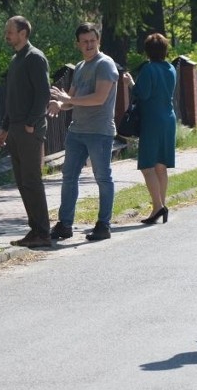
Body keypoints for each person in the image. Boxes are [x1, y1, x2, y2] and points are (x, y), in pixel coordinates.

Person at [48, 22, 119, 242]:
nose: (89, 44)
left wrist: (69, 100)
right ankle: (65, 224)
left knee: (102, 177)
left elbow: (99, 98)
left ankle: (103, 224)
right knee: (69, 176)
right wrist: (61, 105)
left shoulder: (105, 64)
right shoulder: (79, 67)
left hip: (99, 132)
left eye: (92, 40)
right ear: (78, 44)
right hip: (77, 131)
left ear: (98, 41)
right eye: (85, 41)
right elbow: (72, 99)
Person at [0, 16, 52, 248]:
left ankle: (43, 232)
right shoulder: (16, 59)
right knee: (22, 181)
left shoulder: (34, 58)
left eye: (10, 31)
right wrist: (5, 127)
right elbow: (13, 99)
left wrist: (30, 123)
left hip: (29, 129)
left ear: (23, 33)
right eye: (7, 31)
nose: (7, 35)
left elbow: (43, 94)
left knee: (32, 180)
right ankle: (35, 229)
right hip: (16, 128)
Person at [126, 33, 176, 225]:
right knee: (161, 165)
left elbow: (143, 94)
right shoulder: (171, 68)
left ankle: (158, 206)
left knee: (147, 165)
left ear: (147, 51)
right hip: (168, 118)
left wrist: (131, 83)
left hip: (152, 120)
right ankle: (161, 204)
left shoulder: (148, 69)